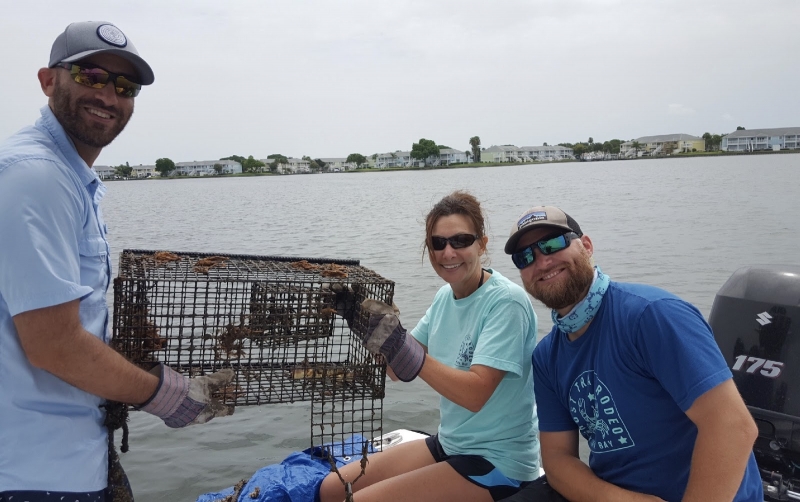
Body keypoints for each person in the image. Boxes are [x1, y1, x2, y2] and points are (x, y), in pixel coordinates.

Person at [0, 22, 233, 501]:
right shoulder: (36, 177)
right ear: (48, 80)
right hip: (33, 472)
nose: (109, 94)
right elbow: (54, 346)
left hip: (69, 458)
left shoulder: (70, 176)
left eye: (125, 87)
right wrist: (165, 394)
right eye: (91, 76)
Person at [504, 205, 763, 502]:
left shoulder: (652, 315)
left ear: (587, 246)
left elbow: (732, 427)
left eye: (552, 244)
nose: (542, 261)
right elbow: (558, 460)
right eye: (525, 257)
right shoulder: (546, 356)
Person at [319, 191, 541, 502]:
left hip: (498, 460)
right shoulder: (443, 298)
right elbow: (398, 370)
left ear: (482, 244)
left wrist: (403, 349)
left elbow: (475, 394)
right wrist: (358, 322)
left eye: (461, 241)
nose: (448, 252)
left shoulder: (506, 303)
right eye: (438, 243)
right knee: (332, 488)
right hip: (451, 444)